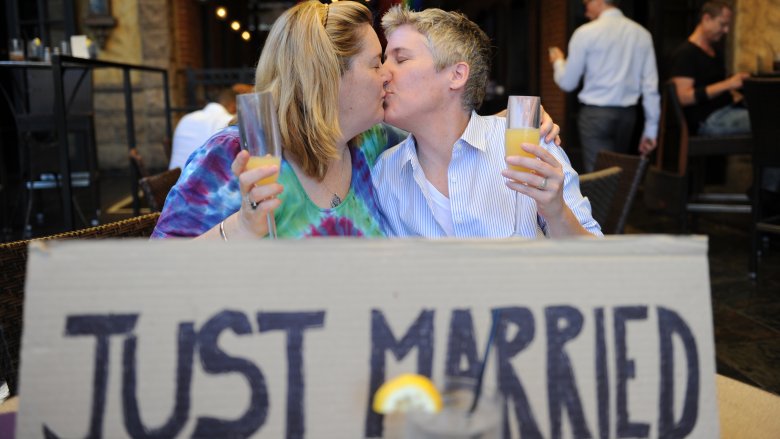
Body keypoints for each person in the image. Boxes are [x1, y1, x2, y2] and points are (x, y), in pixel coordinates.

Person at [152, 1, 560, 240]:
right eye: (376, 62)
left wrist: (508, 123)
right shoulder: (237, 155)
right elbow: (151, 276)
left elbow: (445, 128)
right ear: (328, 77)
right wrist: (241, 226)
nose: (387, 74)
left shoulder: (371, 144)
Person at [373, 6, 601, 238]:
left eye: (400, 59)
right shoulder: (385, 172)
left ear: (457, 75)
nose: (382, 73)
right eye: (382, 60)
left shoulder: (530, 147)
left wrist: (557, 212)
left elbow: (597, 262)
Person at [548, 0, 659, 172]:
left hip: (595, 116)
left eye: (587, 4)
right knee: (618, 174)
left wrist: (558, 62)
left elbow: (568, 82)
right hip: (627, 116)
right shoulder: (642, 34)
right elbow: (650, 86)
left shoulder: (585, 33)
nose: (586, 12)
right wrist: (651, 130)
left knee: (600, 177)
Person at [669, 1, 749, 136]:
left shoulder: (715, 51)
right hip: (708, 119)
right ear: (706, 19)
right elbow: (683, 97)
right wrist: (728, 84)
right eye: (722, 24)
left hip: (726, 111)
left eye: (728, 25)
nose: (726, 30)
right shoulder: (685, 54)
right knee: (767, 121)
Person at [168, 84, 253, 170]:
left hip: (173, 179)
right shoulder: (229, 122)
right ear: (234, 107)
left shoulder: (186, 118)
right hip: (198, 179)